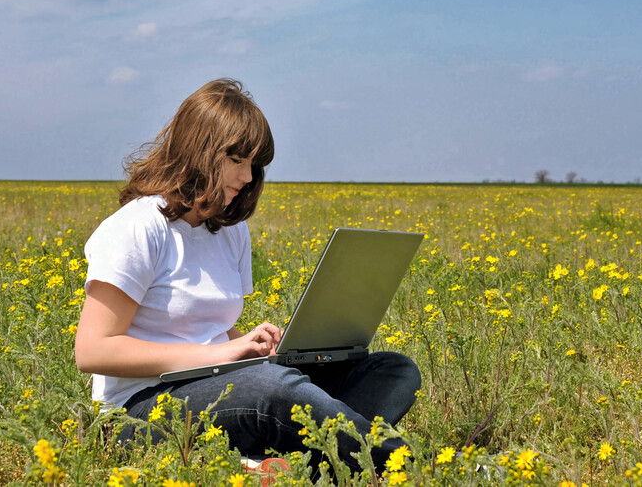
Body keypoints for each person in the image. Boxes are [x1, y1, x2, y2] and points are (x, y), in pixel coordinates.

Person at [74, 78, 420, 472]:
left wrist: (255, 346)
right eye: (237, 161)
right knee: (272, 388)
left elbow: (209, 330)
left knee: (393, 370)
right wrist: (220, 355)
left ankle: (282, 469)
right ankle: (408, 468)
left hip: (219, 386)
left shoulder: (230, 231)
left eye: (255, 165)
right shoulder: (139, 227)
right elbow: (93, 351)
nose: (248, 177)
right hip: (140, 412)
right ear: (197, 152)